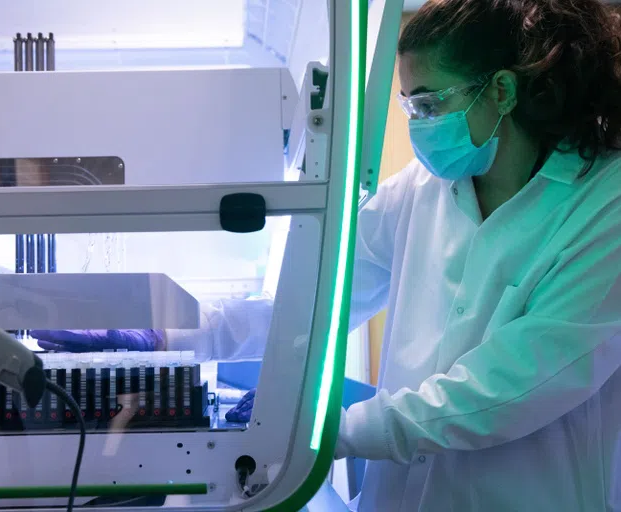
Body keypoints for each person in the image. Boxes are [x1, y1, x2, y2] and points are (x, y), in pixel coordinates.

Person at [34, 0, 621, 508]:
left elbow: (508, 388)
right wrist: (176, 339)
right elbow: (312, 306)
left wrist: (319, 431)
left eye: (428, 103)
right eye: (407, 105)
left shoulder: (603, 207)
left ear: (501, 89)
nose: (416, 123)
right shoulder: (420, 191)